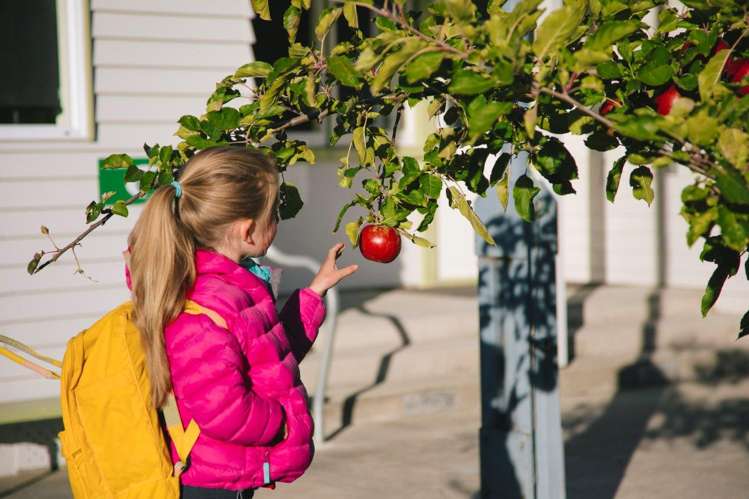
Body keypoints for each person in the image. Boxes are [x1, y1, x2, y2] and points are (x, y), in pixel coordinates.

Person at [125, 146, 358, 498]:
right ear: (248, 231)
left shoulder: (239, 287)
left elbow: (270, 362)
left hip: (232, 470)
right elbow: (222, 410)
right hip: (208, 482)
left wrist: (312, 295)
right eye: (275, 213)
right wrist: (281, 421)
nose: (278, 220)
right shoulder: (204, 304)